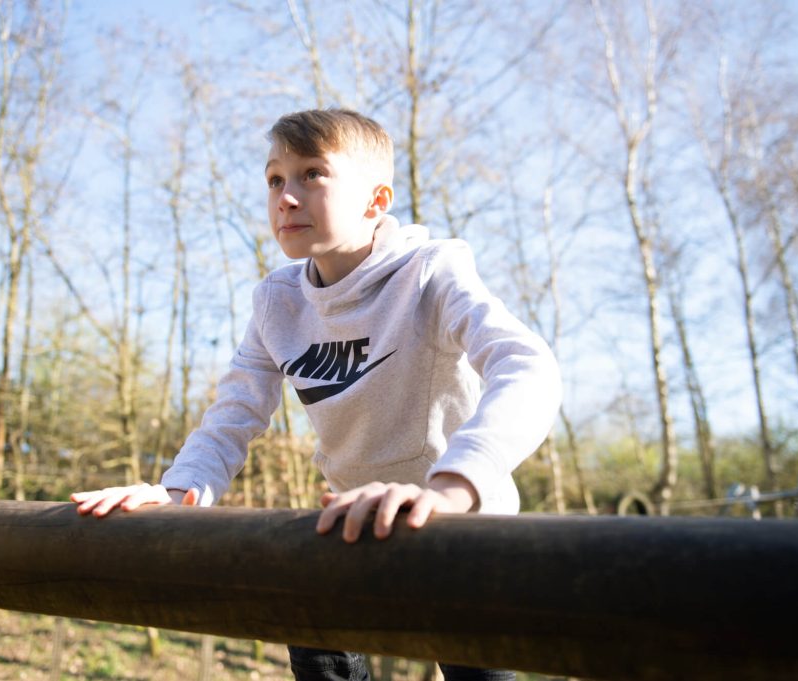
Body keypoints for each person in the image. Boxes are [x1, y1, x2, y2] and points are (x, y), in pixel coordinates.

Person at [72, 108, 562, 680]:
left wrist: (454, 488)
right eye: (275, 179)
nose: (286, 196)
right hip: (358, 525)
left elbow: (527, 366)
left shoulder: (430, 272)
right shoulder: (278, 301)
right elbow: (234, 412)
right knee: (307, 614)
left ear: (375, 202)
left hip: (462, 528)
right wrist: (177, 492)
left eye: (312, 174)